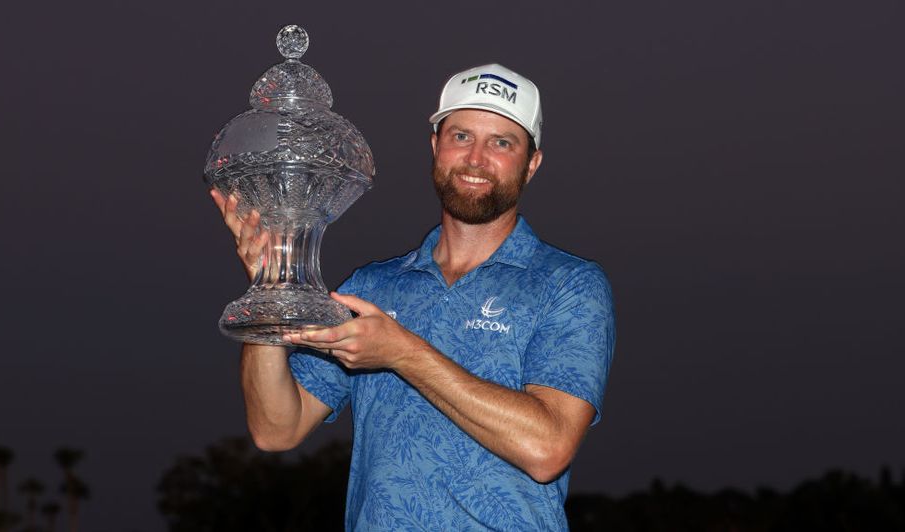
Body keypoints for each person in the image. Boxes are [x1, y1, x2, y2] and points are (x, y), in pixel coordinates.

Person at [210, 63, 616, 531]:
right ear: (435, 146)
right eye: (461, 136)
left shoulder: (569, 285)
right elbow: (275, 429)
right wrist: (271, 289)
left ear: (532, 163)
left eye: (502, 142)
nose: (476, 158)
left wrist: (402, 353)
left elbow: (547, 449)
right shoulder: (373, 287)